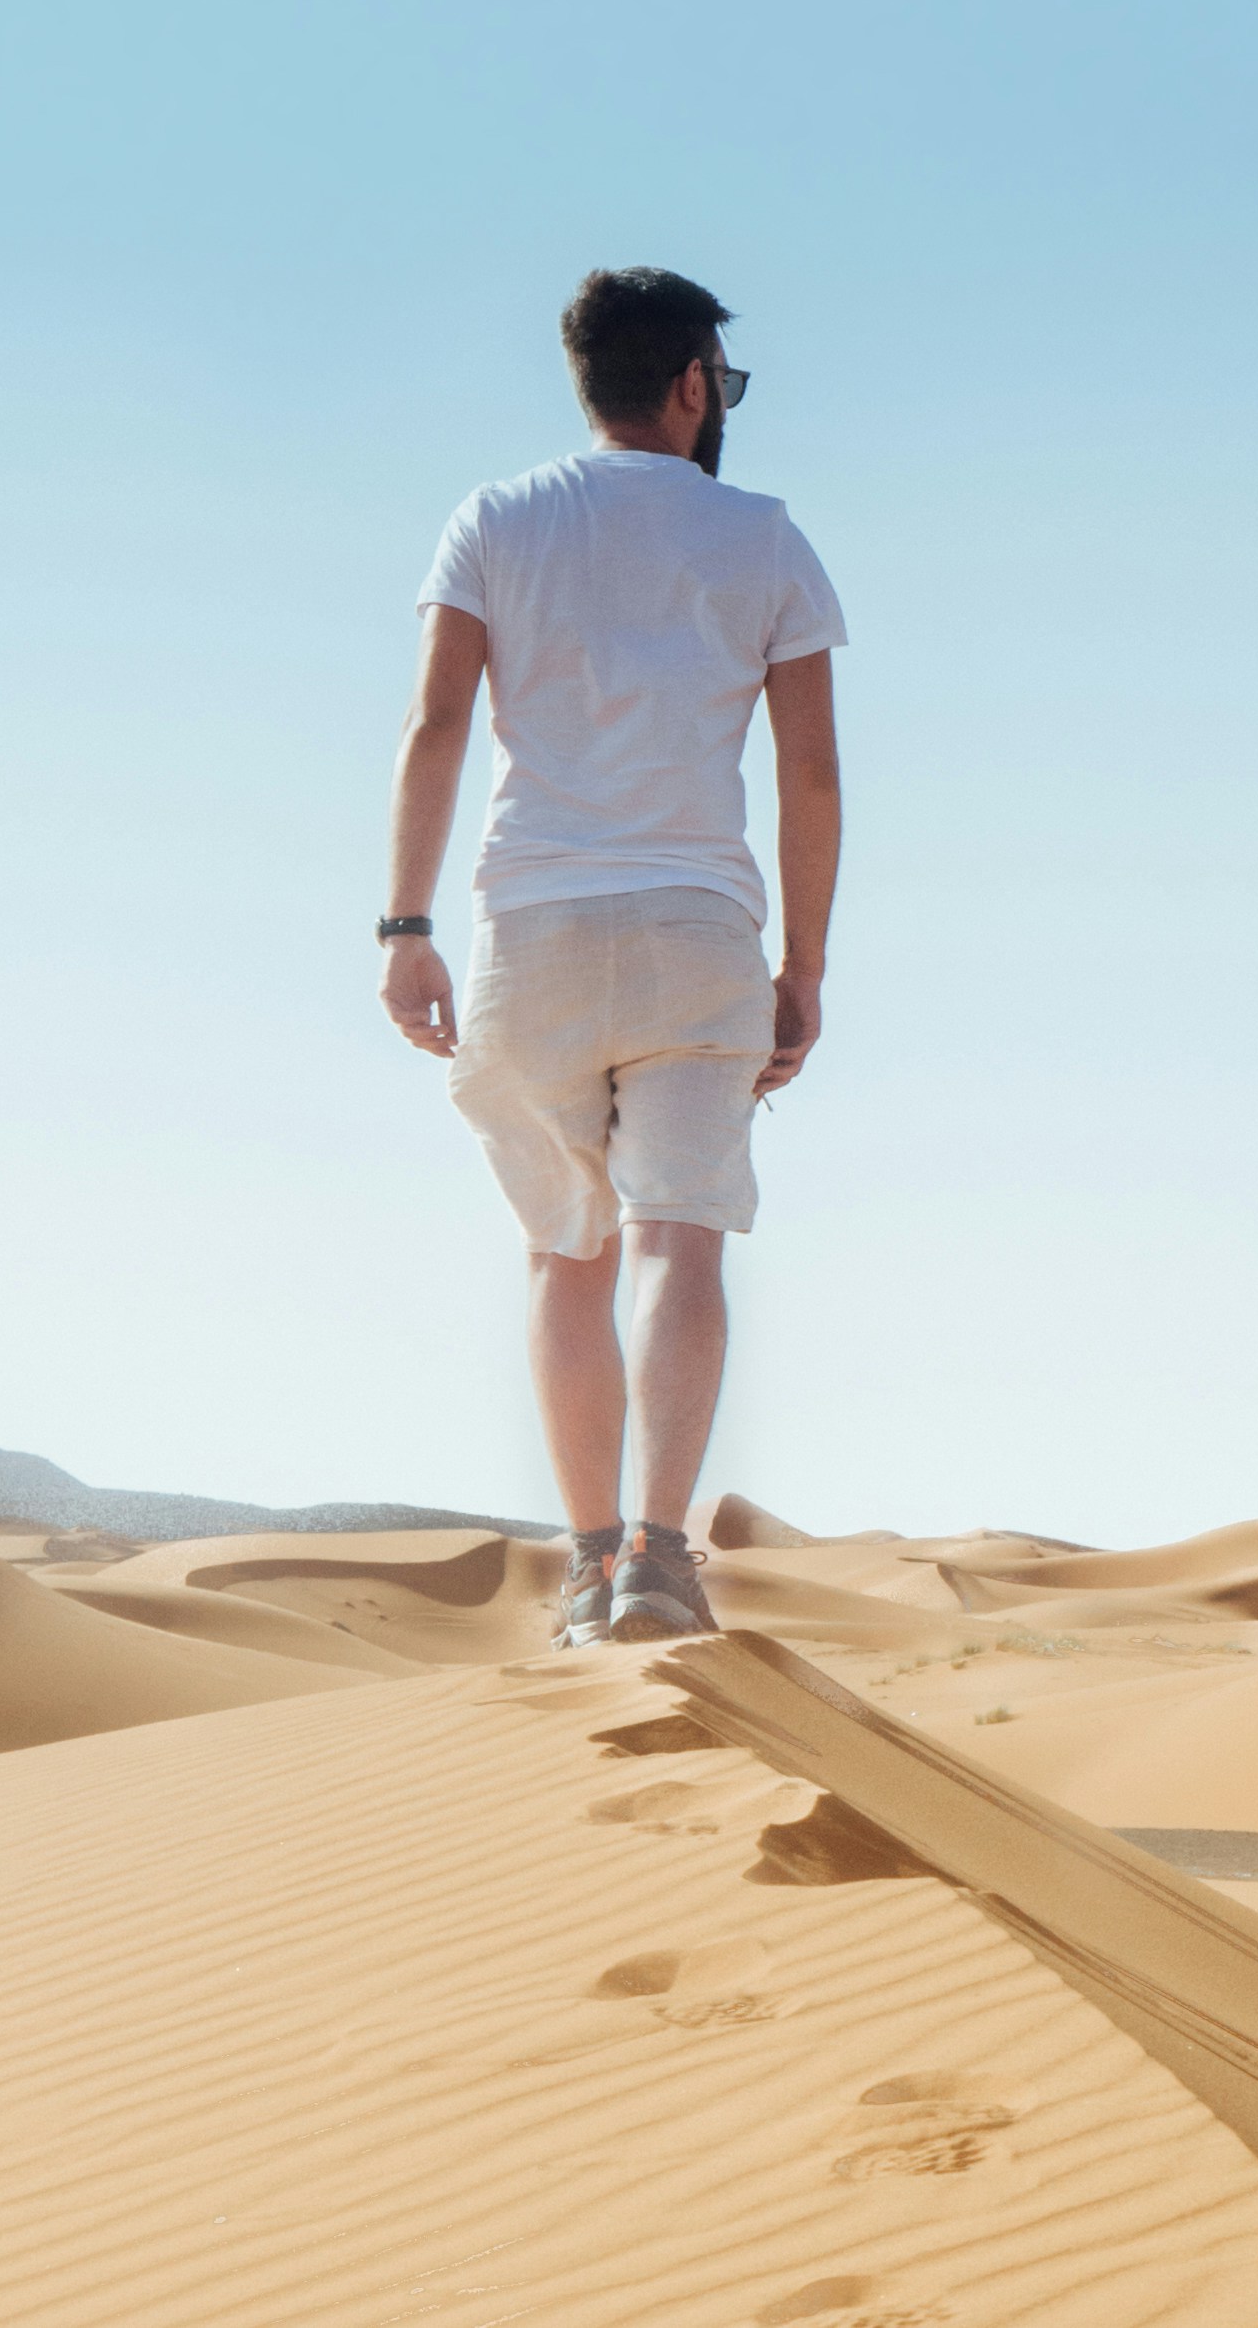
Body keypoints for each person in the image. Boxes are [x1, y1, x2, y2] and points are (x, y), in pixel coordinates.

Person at [377, 267, 846, 1646]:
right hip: (698, 932)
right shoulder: (765, 537)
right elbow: (812, 774)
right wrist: (804, 967)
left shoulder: (495, 519)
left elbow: (435, 728)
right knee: (676, 1239)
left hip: (530, 930)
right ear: (693, 383)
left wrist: (405, 928)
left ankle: (589, 1565)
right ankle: (660, 1556)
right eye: (724, 383)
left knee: (564, 1253)